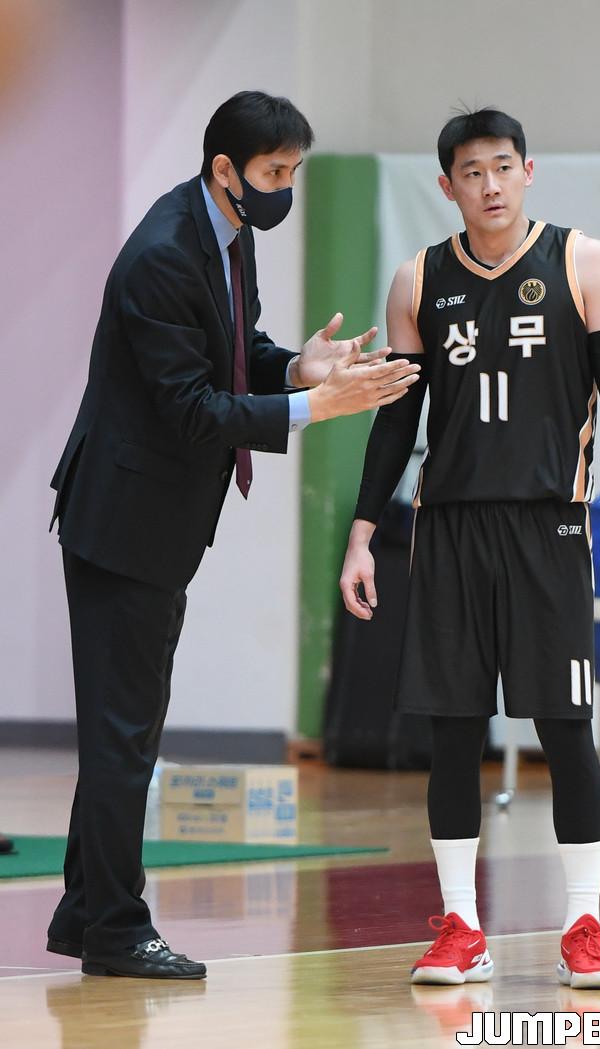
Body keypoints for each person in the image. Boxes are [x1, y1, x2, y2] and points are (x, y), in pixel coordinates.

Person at [46, 90, 421, 980]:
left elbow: (233, 347)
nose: (285, 187)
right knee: (123, 736)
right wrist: (314, 405)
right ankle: (117, 930)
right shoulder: (161, 253)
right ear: (225, 169)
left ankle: (83, 910)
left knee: (124, 729)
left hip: (155, 524)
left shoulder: (226, 231)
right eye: (273, 172)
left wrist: (297, 366)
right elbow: (192, 409)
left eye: (294, 171)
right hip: (120, 523)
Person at [340, 108, 600, 990]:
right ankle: (461, 928)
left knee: (565, 726)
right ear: (447, 186)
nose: (489, 185)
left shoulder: (582, 262)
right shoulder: (418, 278)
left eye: (503, 167)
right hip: (447, 526)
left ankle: (583, 925)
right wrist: (362, 532)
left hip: (548, 524)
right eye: (471, 172)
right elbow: (396, 421)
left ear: (527, 171)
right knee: (450, 729)